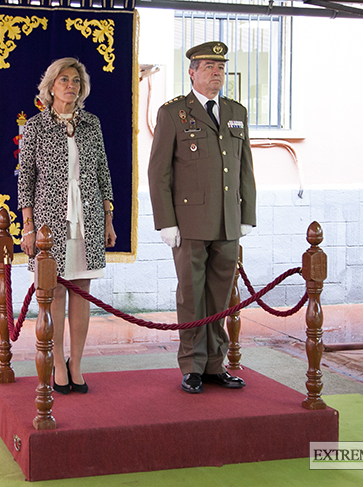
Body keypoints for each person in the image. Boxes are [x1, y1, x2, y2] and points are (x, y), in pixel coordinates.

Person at [147, 41, 257, 393]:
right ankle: (192, 365)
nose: (216, 73)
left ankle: (214, 364)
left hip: (227, 221)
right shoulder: (173, 113)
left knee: (220, 296)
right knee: (192, 295)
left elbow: (245, 169)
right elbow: (158, 172)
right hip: (190, 223)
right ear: (192, 72)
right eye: (209, 66)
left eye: (221, 67)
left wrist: (247, 214)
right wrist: (166, 220)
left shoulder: (236, 111)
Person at [18, 58, 117, 393]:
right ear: (51, 86)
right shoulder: (35, 126)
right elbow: (26, 180)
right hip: (49, 223)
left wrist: (108, 216)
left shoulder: (92, 124)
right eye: (64, 80)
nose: (71, 86)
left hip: (86, 220)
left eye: (76, 80)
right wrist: (28, 226)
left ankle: (77, 362)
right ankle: (58, 362)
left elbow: (103, 172)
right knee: (55, 291)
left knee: (82, 291)